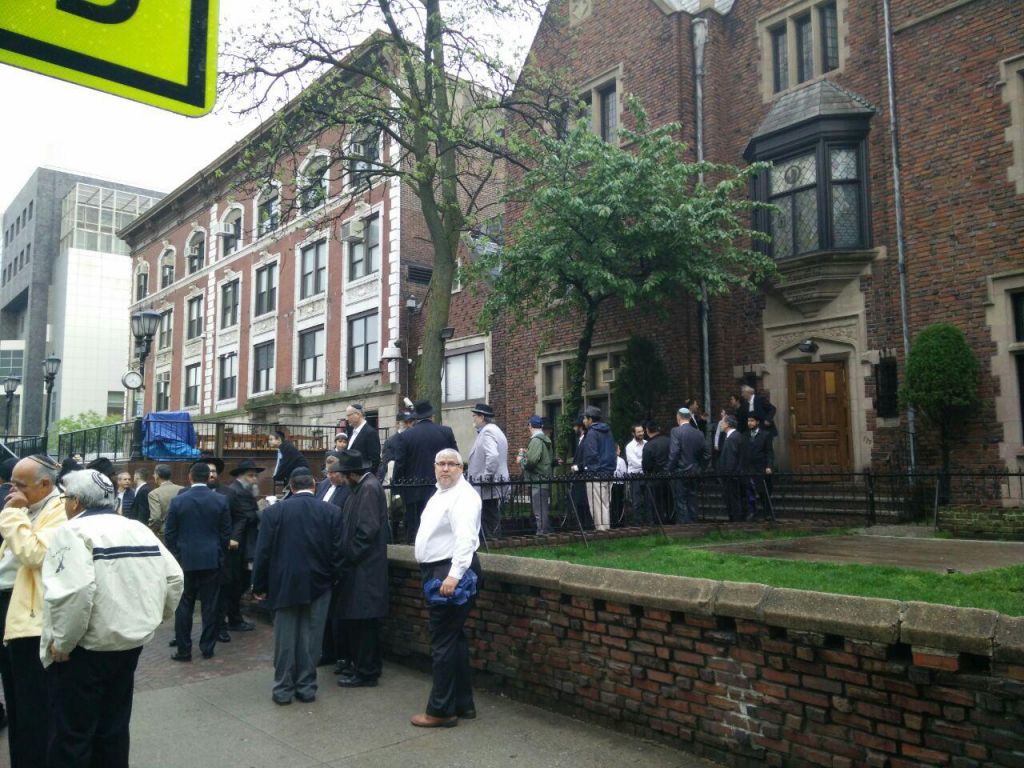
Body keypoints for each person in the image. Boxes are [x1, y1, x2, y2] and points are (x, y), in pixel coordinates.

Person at [41, 469, 183, 768]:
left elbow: (75, 592)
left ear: (75, 501)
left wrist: (63, 642)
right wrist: (153, 618)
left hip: (86, 649)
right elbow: (174, 578)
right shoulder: (136, 528)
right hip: (130, 644)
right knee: (114, 728)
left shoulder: (71, 531)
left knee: (73, 734)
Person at [251, 468, 342, 705]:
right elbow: (337, 552)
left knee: (285, 638)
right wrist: (333, 578)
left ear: (291, 487)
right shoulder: (332, 511)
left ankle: (283, 688)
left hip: (284, 583)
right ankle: (306, 686)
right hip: (319, 583)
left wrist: (259, 584)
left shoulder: (273, 512)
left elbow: (263, 552)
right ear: (314, 486)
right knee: (312, 638)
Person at [0, 455, 66, 768]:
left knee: (33, 702)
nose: (12, 490)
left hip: (31, 615)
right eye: (11, 483)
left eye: (20, 485)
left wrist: (13, 515)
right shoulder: (30, 504)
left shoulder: (61, 509)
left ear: (45, 484)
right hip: (12, 608)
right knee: (15, 697)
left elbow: (35, 553)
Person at [411, 448, 481, 728]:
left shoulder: (464, 497)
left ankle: (440, 710)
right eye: (441, 463)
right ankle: (463, 704)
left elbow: (466, 540)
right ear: (434, 466)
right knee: (454, 639)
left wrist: (453, 577)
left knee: (442, 641)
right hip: (439, 570)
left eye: (452, 464)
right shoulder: (441, 493)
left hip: (449, 573)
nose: (445, 468)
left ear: (461, 468)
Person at [333, 450, 390, 688]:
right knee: (361, 623)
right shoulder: (363, 487)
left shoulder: (367, 489)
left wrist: (349, 557)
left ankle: (366, 672)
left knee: (364, 623)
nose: (341, 479)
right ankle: (364, 666)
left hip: (364, 570)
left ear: (351, 474)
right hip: (362, 568)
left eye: (343, 474)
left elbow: (367, 530)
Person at [164, 462, 231, 661]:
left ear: (190, 477)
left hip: (185, 559)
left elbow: (170, 532)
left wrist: (177, 553)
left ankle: (184, 650)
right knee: (210, 605)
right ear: (208, 477)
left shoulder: (178, 501)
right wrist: (218, 552)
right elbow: (225, 533)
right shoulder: (220, 500)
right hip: (211, 559)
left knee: (184, 605)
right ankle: (207, 647)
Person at [392, 400, 458, 543]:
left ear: (416, 417)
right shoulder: (446, 432)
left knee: (416, 528)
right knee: (440, 526)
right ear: (431, 415)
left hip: (414, 489)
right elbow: (455, 458)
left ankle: (415, 546)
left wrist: (396, 487)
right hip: (441, 487)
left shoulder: (406, 436)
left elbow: (400, 464)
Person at [220, 459, 264, 642]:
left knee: (239, 583)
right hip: (241, 545)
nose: (254, 479)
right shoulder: (239, 492)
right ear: (241, 476)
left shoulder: (240, 490)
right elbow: (246, 517)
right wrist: (263, 511)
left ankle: (233, 617)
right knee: (238, 582)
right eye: (251, 476)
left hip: (243, 543)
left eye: (255, 476)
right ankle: (233, 618)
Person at [466, 403, 509, 538]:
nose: (473, 419)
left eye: (474, 416)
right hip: (493, 483)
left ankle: (492, 541)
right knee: (490, 514)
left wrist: (486, 477)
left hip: (488, 484)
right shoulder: (495, 430)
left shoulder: (487, 432)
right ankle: (493, 540)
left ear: (482, 417)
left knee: (488, 515)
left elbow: (493, 455)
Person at [575, 406, 616, 531]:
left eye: (585, 418)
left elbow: (591, 455)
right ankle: (606, 529)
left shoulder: (592, 433)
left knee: (597, 507)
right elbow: (612, 452)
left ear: (590, 419)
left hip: (596, 474)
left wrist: (592, 471)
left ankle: (602, 532)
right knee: (605, 505)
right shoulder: (608, 431)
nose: (583, 421)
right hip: (608, 472)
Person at [667, 407, 709, 524]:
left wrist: (669, 469)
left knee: (680, 501)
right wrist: (700, 468)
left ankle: (684, 527)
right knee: (692, 499)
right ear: (690, 418)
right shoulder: (699, 433)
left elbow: (674, 452)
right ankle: (694, 524)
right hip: (694, 471)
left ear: (678, 417)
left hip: (680, 472)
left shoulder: (675, 431)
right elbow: (707, 454)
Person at [518, 415, 553, 535]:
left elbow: (532, 461)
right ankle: (544, 532)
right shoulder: (544, 439)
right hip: (542, 479)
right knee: (541, 509)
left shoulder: (536, 440)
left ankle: (542, 534)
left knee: (539, 511)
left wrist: (521, 460)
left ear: (530, 426)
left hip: (537, 480)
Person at [743, 416, 775, 521]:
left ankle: (767, 513)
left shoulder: (765, 435)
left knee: (763, 492)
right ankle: (752, 512)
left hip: (760, 467)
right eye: (748, 420)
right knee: (750, 491)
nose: (749, 423)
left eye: (752, 421)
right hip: (748, 467)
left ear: (757, 422)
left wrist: (769, 466)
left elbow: (769, 452)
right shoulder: (745, 435)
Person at [641, 420, 671, 525]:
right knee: (669, 502)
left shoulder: (648, 446)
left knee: (656, 503)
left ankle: (659, 523)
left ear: (647, 430)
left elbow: (646, 465)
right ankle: (670, 521)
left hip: (654, 478)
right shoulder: (668, 441)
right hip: (670, 477)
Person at [717, 414, 744, 521]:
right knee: (733, 499)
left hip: (731, 476)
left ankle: (735, 520)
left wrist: (727, 474)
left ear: (728, 424)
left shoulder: (732, 438)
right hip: (733, 475)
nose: (721, 425)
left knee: (732, 500)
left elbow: (731, 459)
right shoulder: (735, 436)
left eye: (722, 422)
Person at [147, 464, 182, 539]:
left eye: (154, 474)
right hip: (181, 532)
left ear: (157, 475)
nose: (153, 476)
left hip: (164, 534)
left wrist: (152, 531)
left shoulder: (154, 494)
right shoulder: (182, 489)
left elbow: (156, 518)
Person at [345, 403, 381, 474]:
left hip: (362, 477)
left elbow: (375, 460)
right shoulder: (352, 432)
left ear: (358, 414)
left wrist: (364, 477)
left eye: (349, 415)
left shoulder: (370, 432)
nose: (347, 418)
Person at [270, 430, 310, 494]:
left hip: (300, 476)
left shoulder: (287, 448)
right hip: (296, 475)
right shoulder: (284, 447)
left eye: (271, 439)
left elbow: (284, 465)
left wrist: (276, 477)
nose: (269, 441)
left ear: (279, 439)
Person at [624, 424, 646, 522]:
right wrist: (646, 464)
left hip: (646, 474)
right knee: (636, 500)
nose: (641, 433)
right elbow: (634, 462)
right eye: (639, 432)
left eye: (642, 431)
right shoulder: (630, 446)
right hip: (635, 476)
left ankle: (647, 520)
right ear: (633, 433)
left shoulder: (646, 443)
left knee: (647, 499)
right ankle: (638, 522)